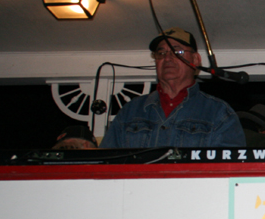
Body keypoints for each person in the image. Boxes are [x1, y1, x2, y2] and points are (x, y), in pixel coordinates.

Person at [100, 27, 245, 148]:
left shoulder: (219, 113)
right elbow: (105, 163)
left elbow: (228, 169)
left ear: (196, 60)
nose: (167, 58)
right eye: (161, 53)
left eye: (177, 52)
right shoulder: (130, 112)